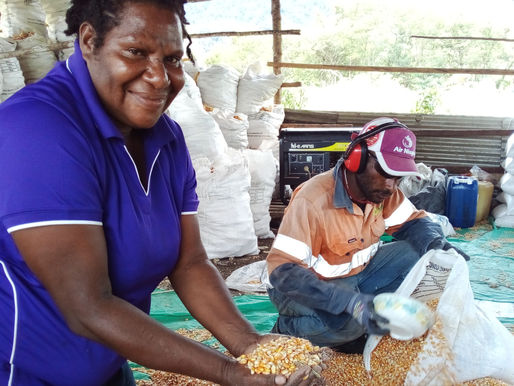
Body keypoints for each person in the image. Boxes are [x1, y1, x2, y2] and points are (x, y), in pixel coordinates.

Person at [0, 1, 324, 385]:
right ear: (89, 41)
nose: (159, 77)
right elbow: (87, 306)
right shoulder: (38, 131)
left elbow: (189, 264)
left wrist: (251, 345)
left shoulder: (166, 138)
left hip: (108, 364)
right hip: (27, 373)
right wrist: (228, 372)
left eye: (172, 59)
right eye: (136, 52)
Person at [265, 117, 470, 353]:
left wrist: (439, 245)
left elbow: (415, 223)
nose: (391, 186)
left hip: (355, 278)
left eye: (398, 177)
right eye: (385, 172)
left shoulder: (382, 193)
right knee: (350, 323)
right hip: (304, 290)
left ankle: (352, 320)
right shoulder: (312, 201)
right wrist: (348, 302)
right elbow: (283, 273)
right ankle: (288, 329)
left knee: (418, 252)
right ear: (357, 158)